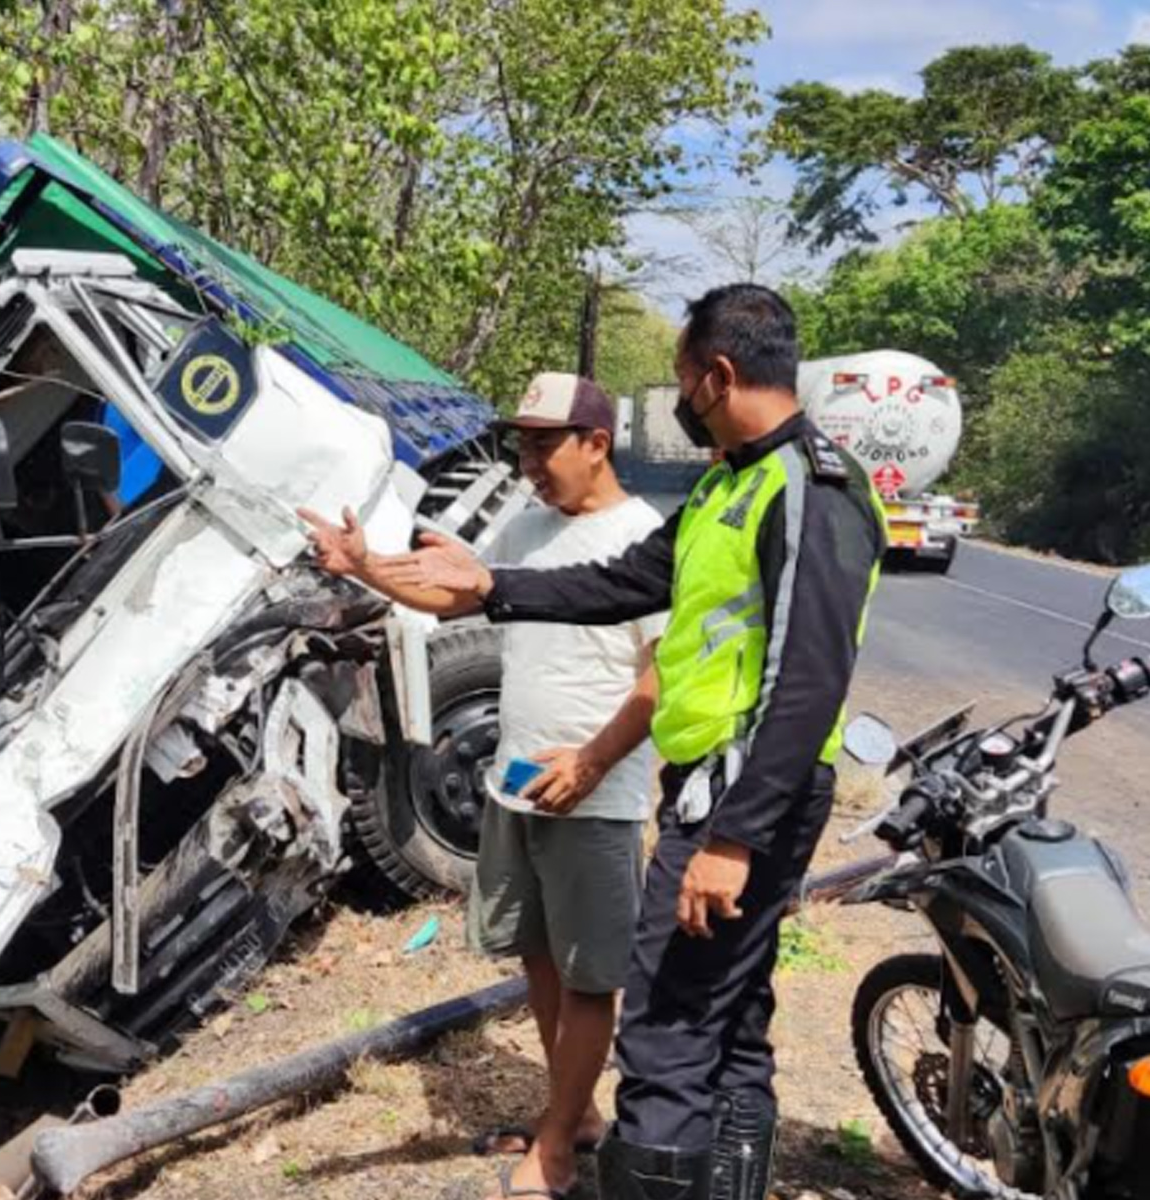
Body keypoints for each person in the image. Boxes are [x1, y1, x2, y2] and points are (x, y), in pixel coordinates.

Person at [378, 286, 886, 1200]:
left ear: (718, 374)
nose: (681, 399)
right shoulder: (728, 484)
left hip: (744, 796)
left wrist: (733, 839)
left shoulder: (808, 489)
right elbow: (619, 583)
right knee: (728, 1016)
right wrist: (491, 587)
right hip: (709, 786)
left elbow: (808, 682)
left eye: (684, 380)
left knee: (665, 1028)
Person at [300, 372, 666, 1200]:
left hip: (591, 799)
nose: (527, 462)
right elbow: (456, 593)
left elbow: (662, 679)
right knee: (538, 957)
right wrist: (365, 566)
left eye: (543, 445)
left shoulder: (644, 541)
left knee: (588, 977)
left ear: (596, 443)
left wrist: (593, 762)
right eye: (520, 444)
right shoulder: (529, 525)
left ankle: (557, 1150)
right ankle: (574, 1113)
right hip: (515, 786)